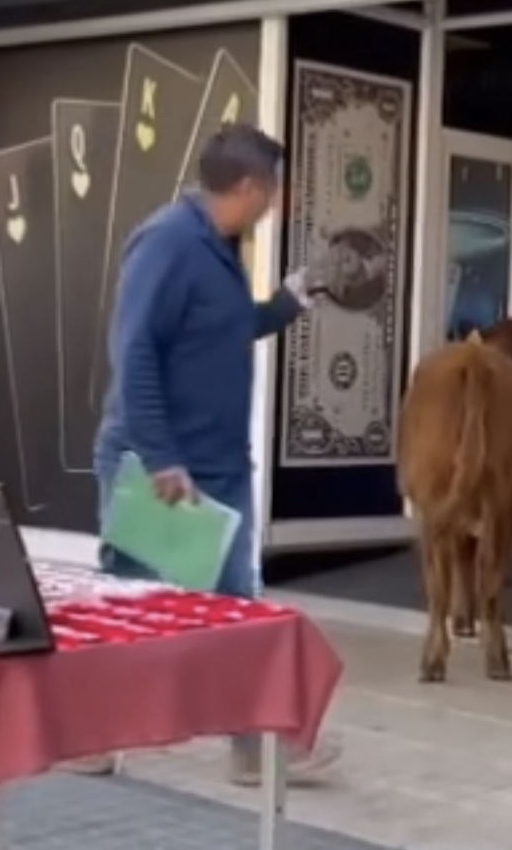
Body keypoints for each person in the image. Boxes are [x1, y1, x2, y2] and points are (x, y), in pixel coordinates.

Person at [80, 123, 341, 784]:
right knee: (132, 605)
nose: (277, 203)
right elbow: (133, 349)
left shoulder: (221, 248)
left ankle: (257, 748)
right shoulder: (168, 242)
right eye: (274, 190)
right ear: (248, 186)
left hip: (218, 467)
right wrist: (161, 455)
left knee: (235, 607)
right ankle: (83, 735)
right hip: (160, 469)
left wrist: (287, 300)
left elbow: (226, 327)